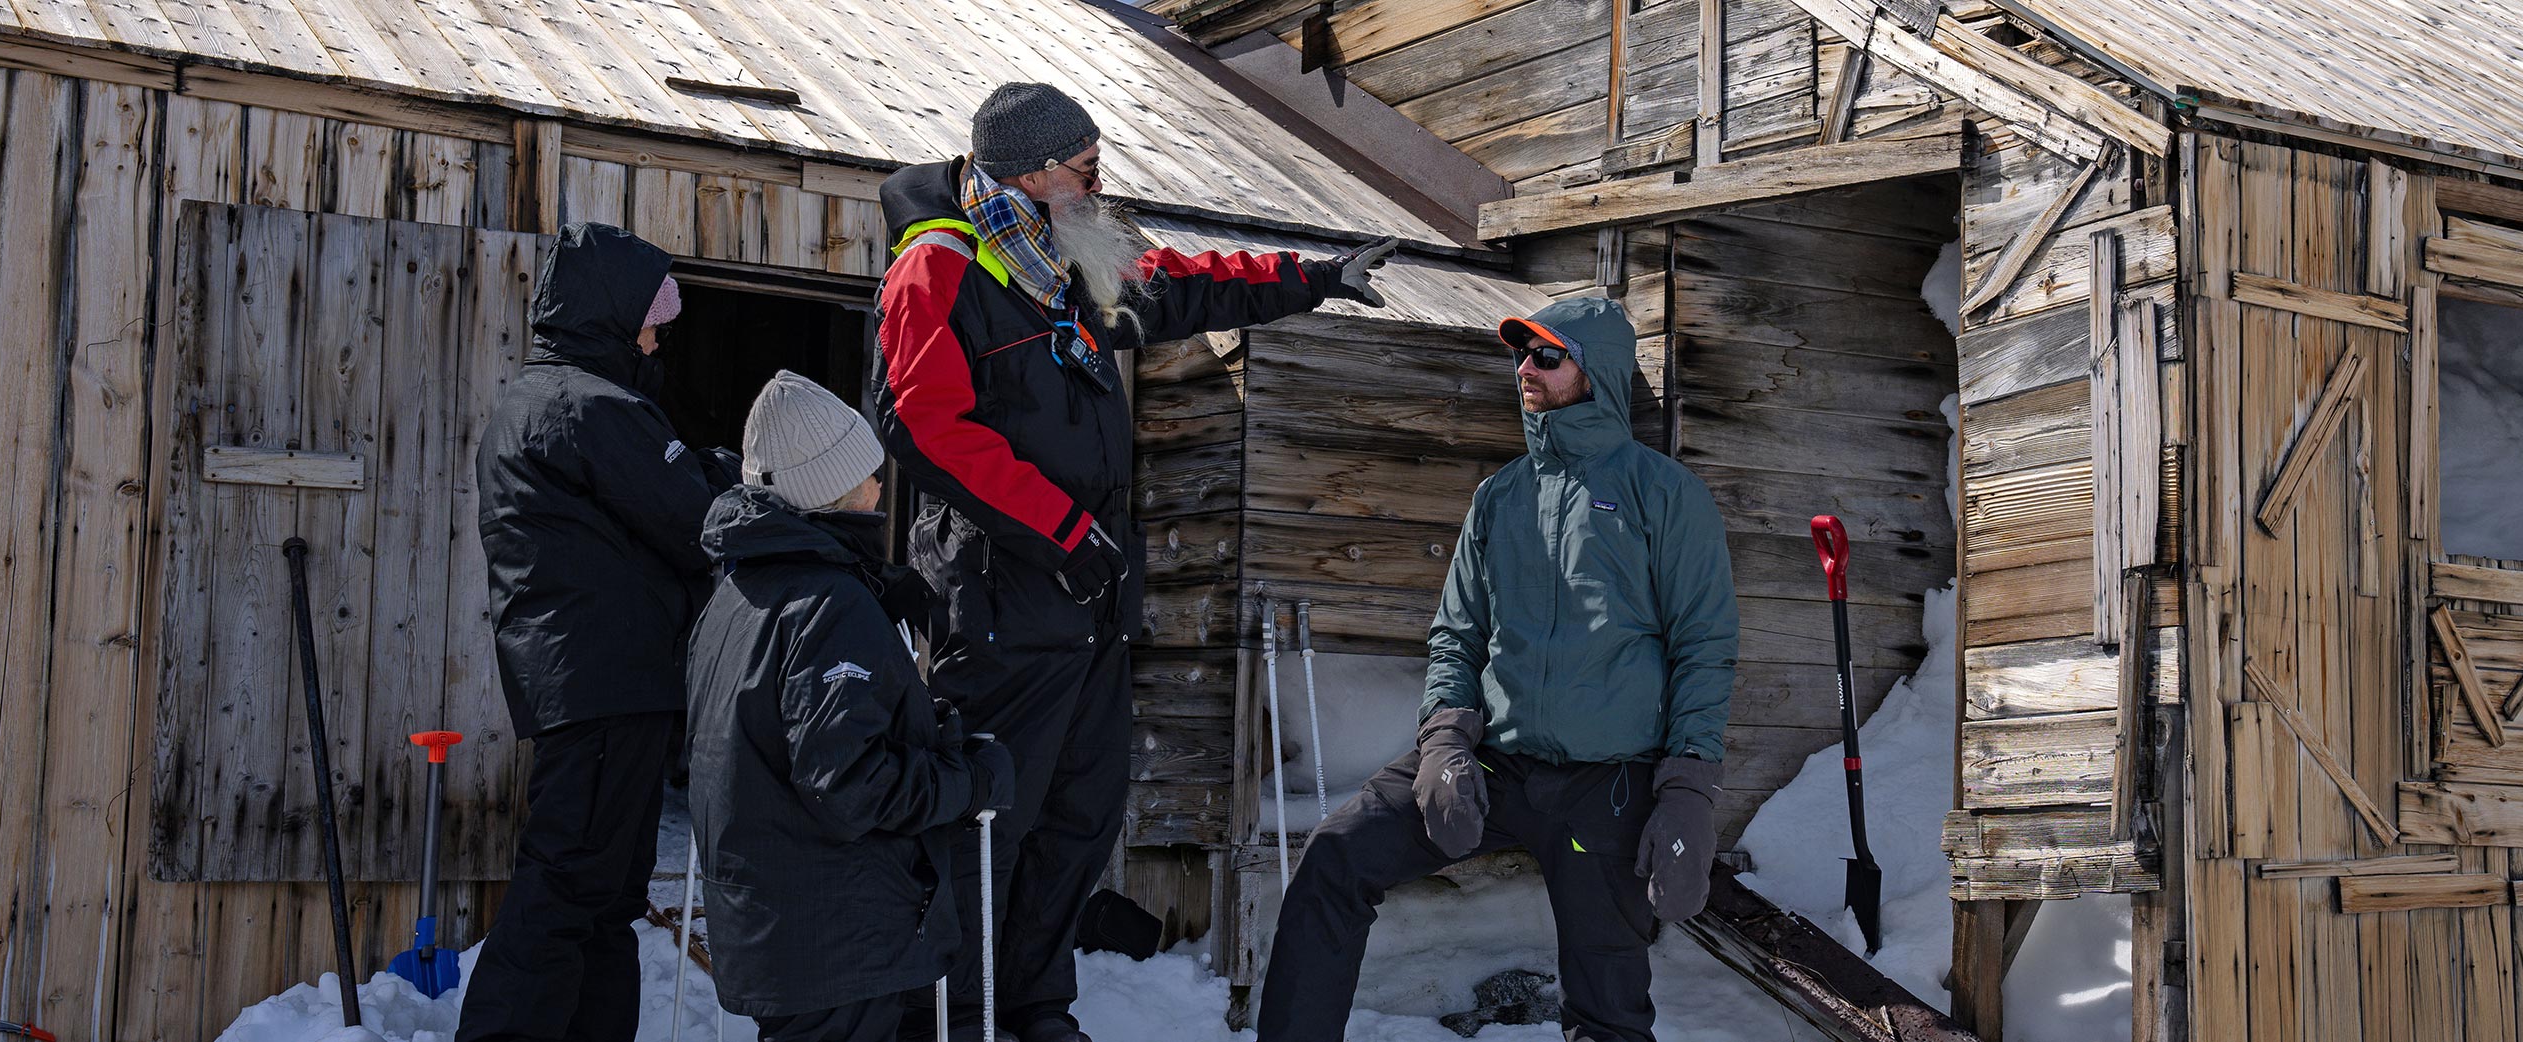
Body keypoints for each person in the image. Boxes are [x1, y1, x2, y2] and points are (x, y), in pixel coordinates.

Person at [871, 81, 1394, 1042]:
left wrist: (1311, 276)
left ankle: (1035, 1006)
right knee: (993, 824)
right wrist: (1063, 533)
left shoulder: (1062, 256)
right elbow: (920, 423)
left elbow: (1181, 283)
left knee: (1080, 817)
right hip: (1002, 602)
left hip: (1088, 605)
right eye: (1084, 164)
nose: (1098, 178)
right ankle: (956, 1016)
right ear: (1029, 170)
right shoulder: (940, 268)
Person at [1254, 298, 1741, 1042]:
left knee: (1608, 1005)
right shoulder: (1500, 497)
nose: (1526, 370)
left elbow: (1704, 647)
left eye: (1548, 356)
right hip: (1494, 768)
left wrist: (1686, 793)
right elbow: (1456, 633)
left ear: (1598, 372)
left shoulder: (1665, 495)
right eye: (1522, 355)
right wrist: (1445, 745)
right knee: (1335, 859)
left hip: (1605, 785)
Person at [686, 371, 1018, 1042]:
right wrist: (968, 782)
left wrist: (930, 732)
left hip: (786, 932)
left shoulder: (734, 596)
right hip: (835, 940)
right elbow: (848, 786)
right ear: (829, 489)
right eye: (867, 474)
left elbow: (790, 742)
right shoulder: (827, 605)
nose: (878, 489)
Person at [467, 223, 728, 1042]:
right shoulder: (591, 405)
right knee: (569, 889)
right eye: (651, 321)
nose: (658, 340)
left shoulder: (547, 399)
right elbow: (695, 520)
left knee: (604, 898)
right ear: (611, 314)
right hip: (604, 680)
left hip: (595, 680)